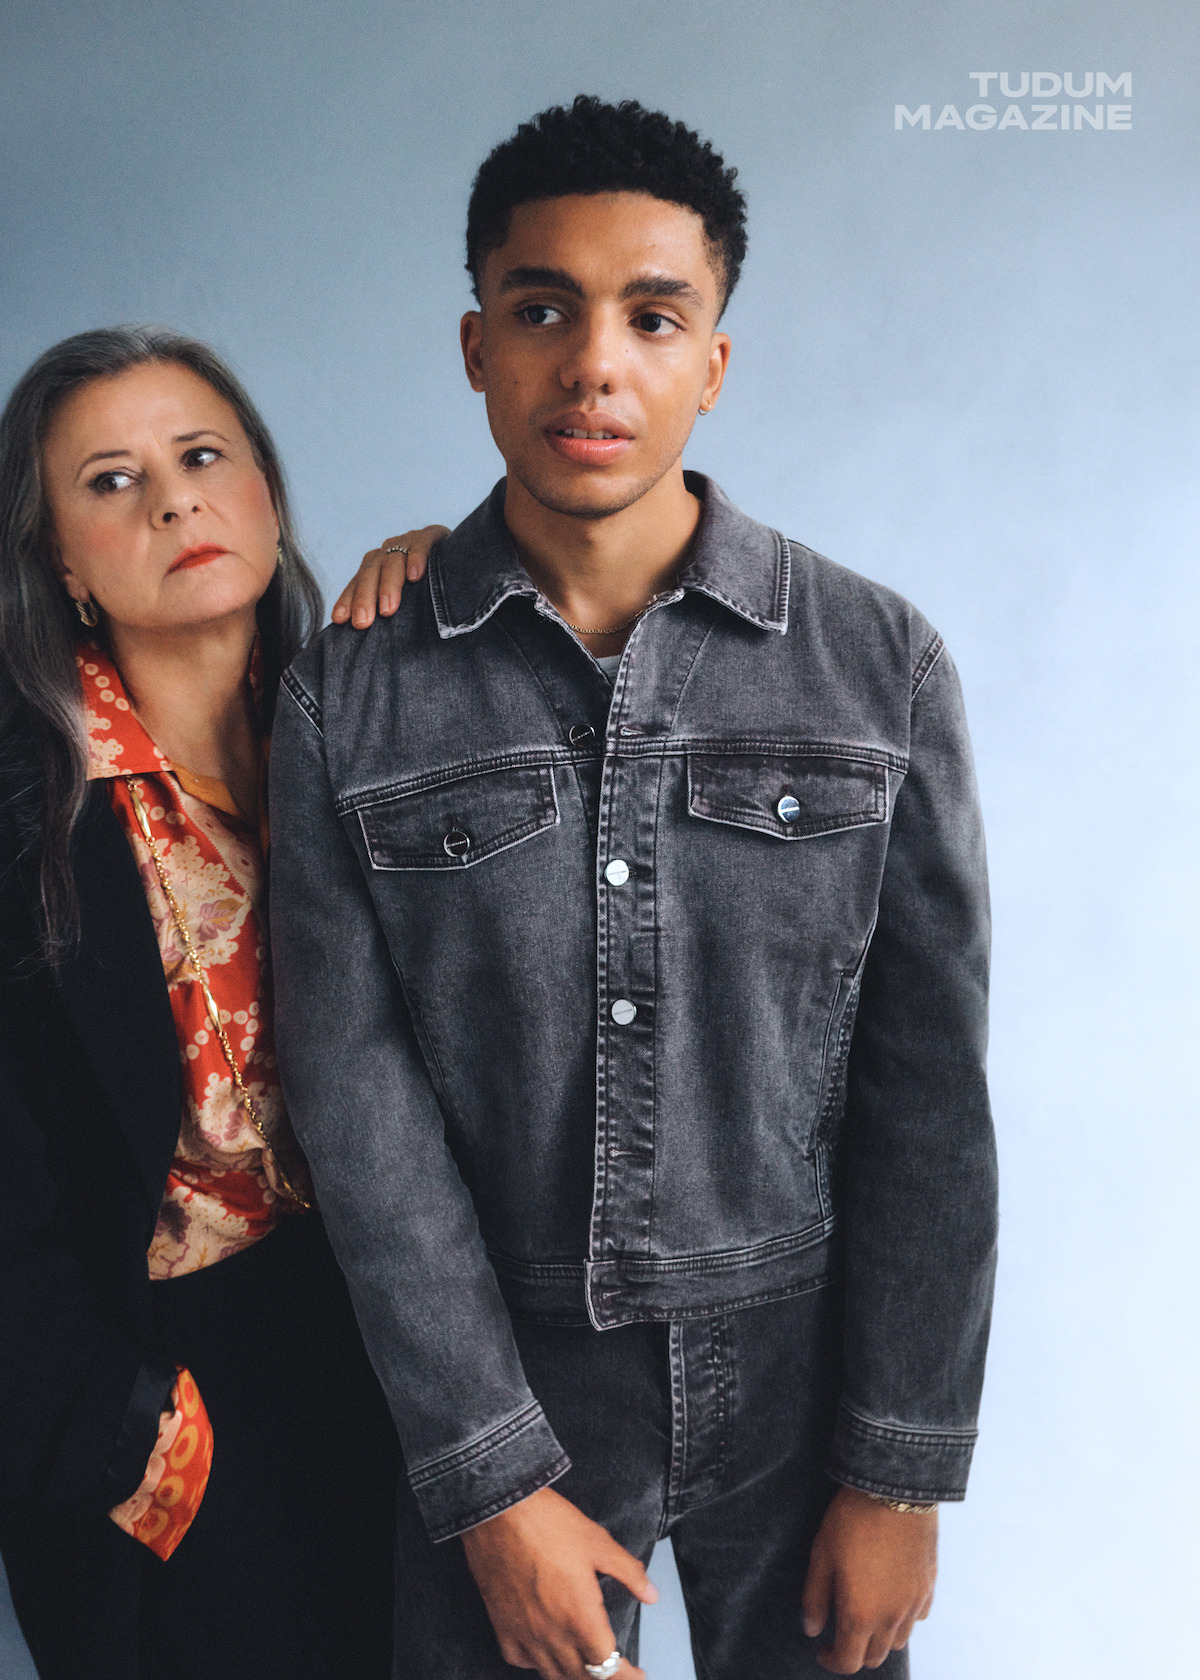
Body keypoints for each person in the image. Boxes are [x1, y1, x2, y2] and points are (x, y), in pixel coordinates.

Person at [270, 97, 999, 1680]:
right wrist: (487, 1484)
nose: (593, 364)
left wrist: (900, 1468)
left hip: (804, 1389)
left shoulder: (880, 664)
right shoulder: (355, 693)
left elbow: (929, 1092)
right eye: (543, 310)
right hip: (504, 1384)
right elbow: (355, 1102)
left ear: (712, 361)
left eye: (652, 317)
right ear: (478, 347)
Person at [0, 325, 442, 1680]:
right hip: (171, 1389)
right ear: (63, 566)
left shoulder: (379, 724)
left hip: (410, 1353)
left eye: (201, 457)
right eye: (111, 481)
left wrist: (474, 580)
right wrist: (122, 1434)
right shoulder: (24, 814)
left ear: (265, 497)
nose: (175, 499)